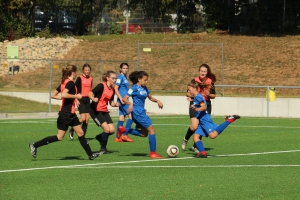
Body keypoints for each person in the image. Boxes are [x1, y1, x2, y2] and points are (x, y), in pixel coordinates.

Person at [29, 65, 100, 160]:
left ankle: (91, 154)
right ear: (73, 73)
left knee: (80, 133)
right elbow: (64, 94)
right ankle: (34, 145)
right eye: (76, 73)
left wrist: (65, 97)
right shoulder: (70, 83)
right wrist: (76, 96)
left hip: (70, 114)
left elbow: (53, 95)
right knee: (59, 137)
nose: (76, 75)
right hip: (65, 114)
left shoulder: (64, 82)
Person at [186, 80, 240, 158]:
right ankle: (203, 153)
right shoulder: (197, 97)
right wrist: (193, 103)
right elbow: (199, 104)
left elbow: (204, 107)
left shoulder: (198, 96)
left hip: (204, 119)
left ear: (194, 88)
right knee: (195, 137)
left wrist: (196, 109)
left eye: (189, 89)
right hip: (201, 120)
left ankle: (229, 120)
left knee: (213, 135)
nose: (188, 91)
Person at [121, 71, 164, 159]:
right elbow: (124, 98)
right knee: (152, 130)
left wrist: (157, 101)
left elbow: (150, 97)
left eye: (147, 80)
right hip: (138, 112)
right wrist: (130, 104)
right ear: (139, 79)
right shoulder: (134, 88)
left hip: (140, 112)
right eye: (145, 80)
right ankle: (153, 153)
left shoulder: (145, 88)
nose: (146, 82)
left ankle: (125, 130)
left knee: (144, 134)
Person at [182, 63, 217, 152]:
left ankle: (195, 145)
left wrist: (209, 94)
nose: (202, 72)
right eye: (201, 71)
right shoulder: (194, 81)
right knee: (194, 126)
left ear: (207, 72)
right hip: (195, 104)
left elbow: (213, 96)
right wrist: (191, 96)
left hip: (206, 105)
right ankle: (185, 139)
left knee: (202, 125)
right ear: (199, 71)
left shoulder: (210, 82)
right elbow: (187, 92)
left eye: (204, 71)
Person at [88, 70, 119, 154]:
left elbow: (111, 103)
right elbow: (90, 93)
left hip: (104, 110)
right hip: (95, 111)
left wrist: (116, 104)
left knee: (112, 130)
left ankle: (99, 137)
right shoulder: (101, 86)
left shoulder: (112, 89)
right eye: (113, 78)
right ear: (107, 78)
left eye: (115, 78)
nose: (114, 80)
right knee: (106, 129)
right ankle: (103, 149)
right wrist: (93, 99)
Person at [114, 63, 140, 142]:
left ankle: (117, 138)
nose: (125, 69)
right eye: (124, 68)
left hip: (124, 99)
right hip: (123, 100)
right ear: (120, 69)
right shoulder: (120, 77)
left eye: (126, 68)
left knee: (121, 117)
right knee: (131, 116)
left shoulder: (124, 77)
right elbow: (116, 88)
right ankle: (125, 135)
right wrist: (120, 98)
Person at [69, 63, 93, 140]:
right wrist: (76, 99)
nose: (87, 71)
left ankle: (82, 137)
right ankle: (72, 129)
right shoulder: (79, 78)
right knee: (82, 119)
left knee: (87, 120)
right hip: (81, 99)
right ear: (83, 70)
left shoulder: (91, 79)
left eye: (88, 70)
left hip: (87, 100)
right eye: (86, 70)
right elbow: (74, 89)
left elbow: (90, 89)